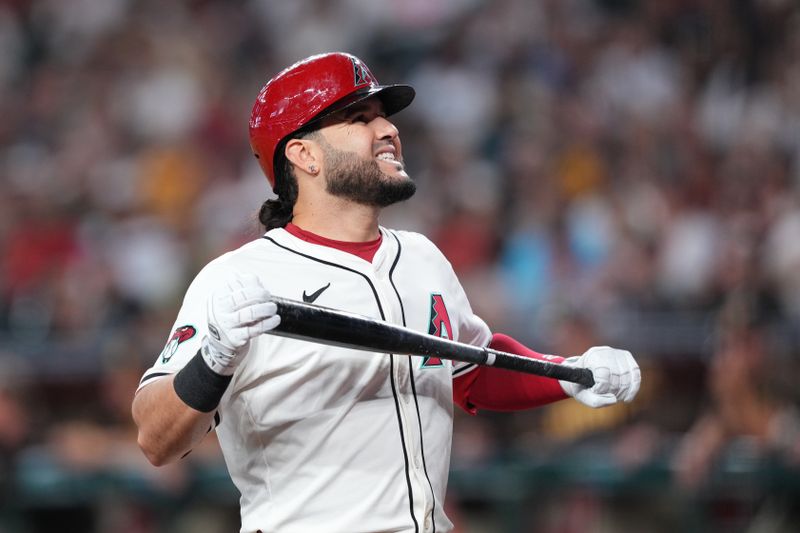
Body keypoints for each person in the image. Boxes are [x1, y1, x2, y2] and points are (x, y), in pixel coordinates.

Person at [131, 52, 641, 533]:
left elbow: (468, 369)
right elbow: (155, 438)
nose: (388, 129)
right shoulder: (239, 278)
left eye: (384, 116)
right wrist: (214, 359)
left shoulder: (422, 258)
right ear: (304, 154)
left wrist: (567, 375)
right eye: (359, 118)